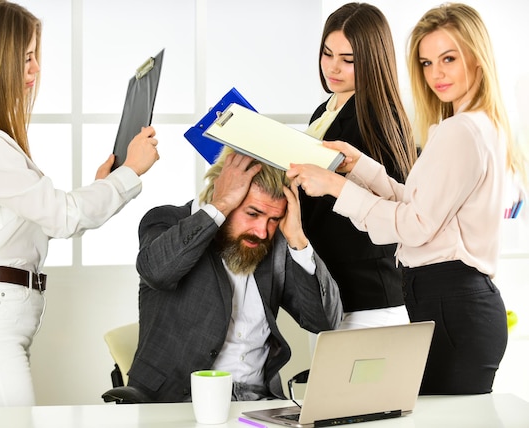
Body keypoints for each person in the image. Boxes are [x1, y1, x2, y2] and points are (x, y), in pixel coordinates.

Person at [0, 0, 159, 407]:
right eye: (26, 58)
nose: (35, 70)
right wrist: (130, 172)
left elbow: (50, 219)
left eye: (35, 57)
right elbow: (63, 217)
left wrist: (105, 185)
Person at [288, 2, 527, 395]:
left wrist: (336, 187)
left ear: (478, 57)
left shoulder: (459, 131)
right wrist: (362, 167)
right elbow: (421, 208)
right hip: (453, 301)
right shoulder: (476, 126)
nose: (436, 74)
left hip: (451, 300)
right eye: (427, 62)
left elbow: (415, 226)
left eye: (448, 59)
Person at [126, 147, 343, 403]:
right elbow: (157, 272)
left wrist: (298, 239)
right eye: (253, 214)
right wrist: (221, 204)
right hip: (181, 402)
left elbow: (325, 322)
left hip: (258, 404)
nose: (262, 232)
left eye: (274, 218)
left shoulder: (276, 246)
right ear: (223, 191)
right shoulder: (166, 221)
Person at [299, 2, 418, 330]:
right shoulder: (324, 113)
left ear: (372, 60)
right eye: (327, 53)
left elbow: (393, 204)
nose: (333, 68)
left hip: (368, 294)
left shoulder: (378, 115)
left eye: (348, 60)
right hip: (332, 288)